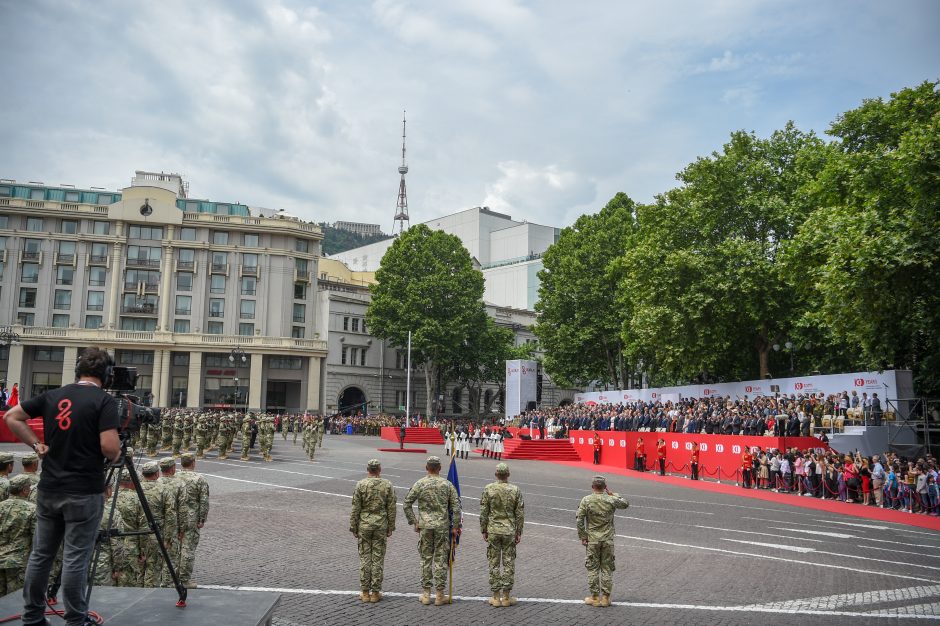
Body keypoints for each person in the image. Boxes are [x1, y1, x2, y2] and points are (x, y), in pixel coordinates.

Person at [3, 346, 120, 626]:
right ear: (106, 375)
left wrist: (36, 444)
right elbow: (109, 447)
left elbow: (11, 417)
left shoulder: (52, 395)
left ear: (78, 371)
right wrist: (115, 452)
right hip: (83, 491)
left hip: (49, 488)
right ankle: (75, 619)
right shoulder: (104, 402)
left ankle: (32, 616)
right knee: (75, 557)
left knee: (41, 554)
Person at [402, 456, 461, 607]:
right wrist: (455, 527)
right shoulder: (447, 485)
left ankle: (426, 594)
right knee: (441, 560)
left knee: (426, 559)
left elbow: (407, 503)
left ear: (426, 467)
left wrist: (414, 522)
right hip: (442, 527)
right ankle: (440, 595)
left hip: (425, 527)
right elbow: (456, 507)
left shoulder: (420, 483)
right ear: (440, 468)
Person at [576, 475, 629, 607]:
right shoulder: (611, 499)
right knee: (607, 568)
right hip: (607, 540)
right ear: (605, 487)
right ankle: (605, 598)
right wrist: (613, 494)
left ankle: (594, 598)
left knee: (593, 568)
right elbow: (625, 503)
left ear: (593, 487)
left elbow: (579, 519)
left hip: (592, 539)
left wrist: (583, 536)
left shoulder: (586, 500)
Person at [350, 459, 396, 603]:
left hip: (364, 525)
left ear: (367, 469)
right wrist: (391, 527)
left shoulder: (361, 484)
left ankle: (364, 592)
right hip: (380, 526)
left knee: (365, 558)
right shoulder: (387, 485)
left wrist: (354, 526)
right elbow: (391, 508)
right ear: (379, 470)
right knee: (377, 559)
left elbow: (355, 508)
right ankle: (375, 593)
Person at [479, 462, 524, 608]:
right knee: (509, 563)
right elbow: (520, 514)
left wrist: (483, 529)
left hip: (493, 530)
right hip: (509, 531)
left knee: (494, 562)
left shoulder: (489, 489)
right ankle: (506, 596)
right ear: (508, 475)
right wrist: (518, 531)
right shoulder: (515, 490)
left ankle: (495, 596)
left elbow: (484, 512)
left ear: (496, 474)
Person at [175, 453, 209, 589]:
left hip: (175, 517)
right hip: (191, 518)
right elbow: (204, 501)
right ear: (193, 463)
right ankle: (184, 579)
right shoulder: (199, 479)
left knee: (175, 548)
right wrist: (202, 519)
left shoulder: (174, 477)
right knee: (188, 549)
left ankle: (172, 575)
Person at [0, 474, 37, 596]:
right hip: (18, 563)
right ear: (24, 490)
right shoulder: (32, 509)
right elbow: (36, 537)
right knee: (15, 599)